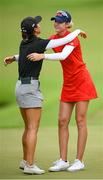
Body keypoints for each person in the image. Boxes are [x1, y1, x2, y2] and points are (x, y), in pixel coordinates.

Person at [4, 15, 86, 175]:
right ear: (35, 29)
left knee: (28, 128)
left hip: (20, 87)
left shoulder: (24, 42)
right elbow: (62, 43)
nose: (43, 24)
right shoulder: (41, 42)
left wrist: (14, 58)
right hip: (31, 88)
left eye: (59, 21)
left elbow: (29, 55)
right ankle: (30, 164)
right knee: (33, 128)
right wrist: (77, 30)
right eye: (38, 24)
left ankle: (24, 160)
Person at [27, 10, 98, 172]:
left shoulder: (73, 39)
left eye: (60, 21)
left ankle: (79, 160)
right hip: (68, 83)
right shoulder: (53, 39)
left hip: (82, 81)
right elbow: (35, 48)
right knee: (62, 121)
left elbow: (64, 56)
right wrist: (16, 57)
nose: (56, 24)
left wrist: (42, 57)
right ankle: (63, 160)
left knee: (80, 120)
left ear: (67, 24)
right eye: (55, 21)